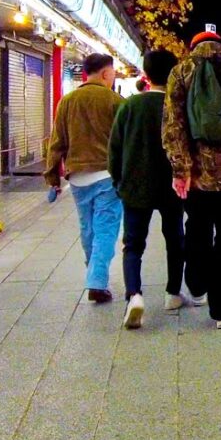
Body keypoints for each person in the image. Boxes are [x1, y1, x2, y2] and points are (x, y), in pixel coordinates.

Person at [162, 30, 221, 330]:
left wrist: (180, 171)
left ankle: (197, 279)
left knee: (198, 228)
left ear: (193, 47)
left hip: (200, 175)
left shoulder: (181, 71)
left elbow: (173, 126)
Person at [109, 49, 186, 329]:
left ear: (146, 74)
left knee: (133, 244)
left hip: (134, 186)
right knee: (175, 239)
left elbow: (114, 149)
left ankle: (134, 295)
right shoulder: (177, 105)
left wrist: (118, 180)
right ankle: (172, 293)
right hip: (171, 185)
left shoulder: (129, 106)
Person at [45, 53, 125, 304]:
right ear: (104, 74)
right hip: (107, 175)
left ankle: (93, 271)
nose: (112, 77)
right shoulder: (116, 101)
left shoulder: (67, 102)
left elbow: (56, 142)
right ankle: (97, 281)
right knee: (106, 230)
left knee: (87, 229)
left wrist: (52, 177)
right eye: (112, 73)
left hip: (77, 177)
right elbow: (125, 142)